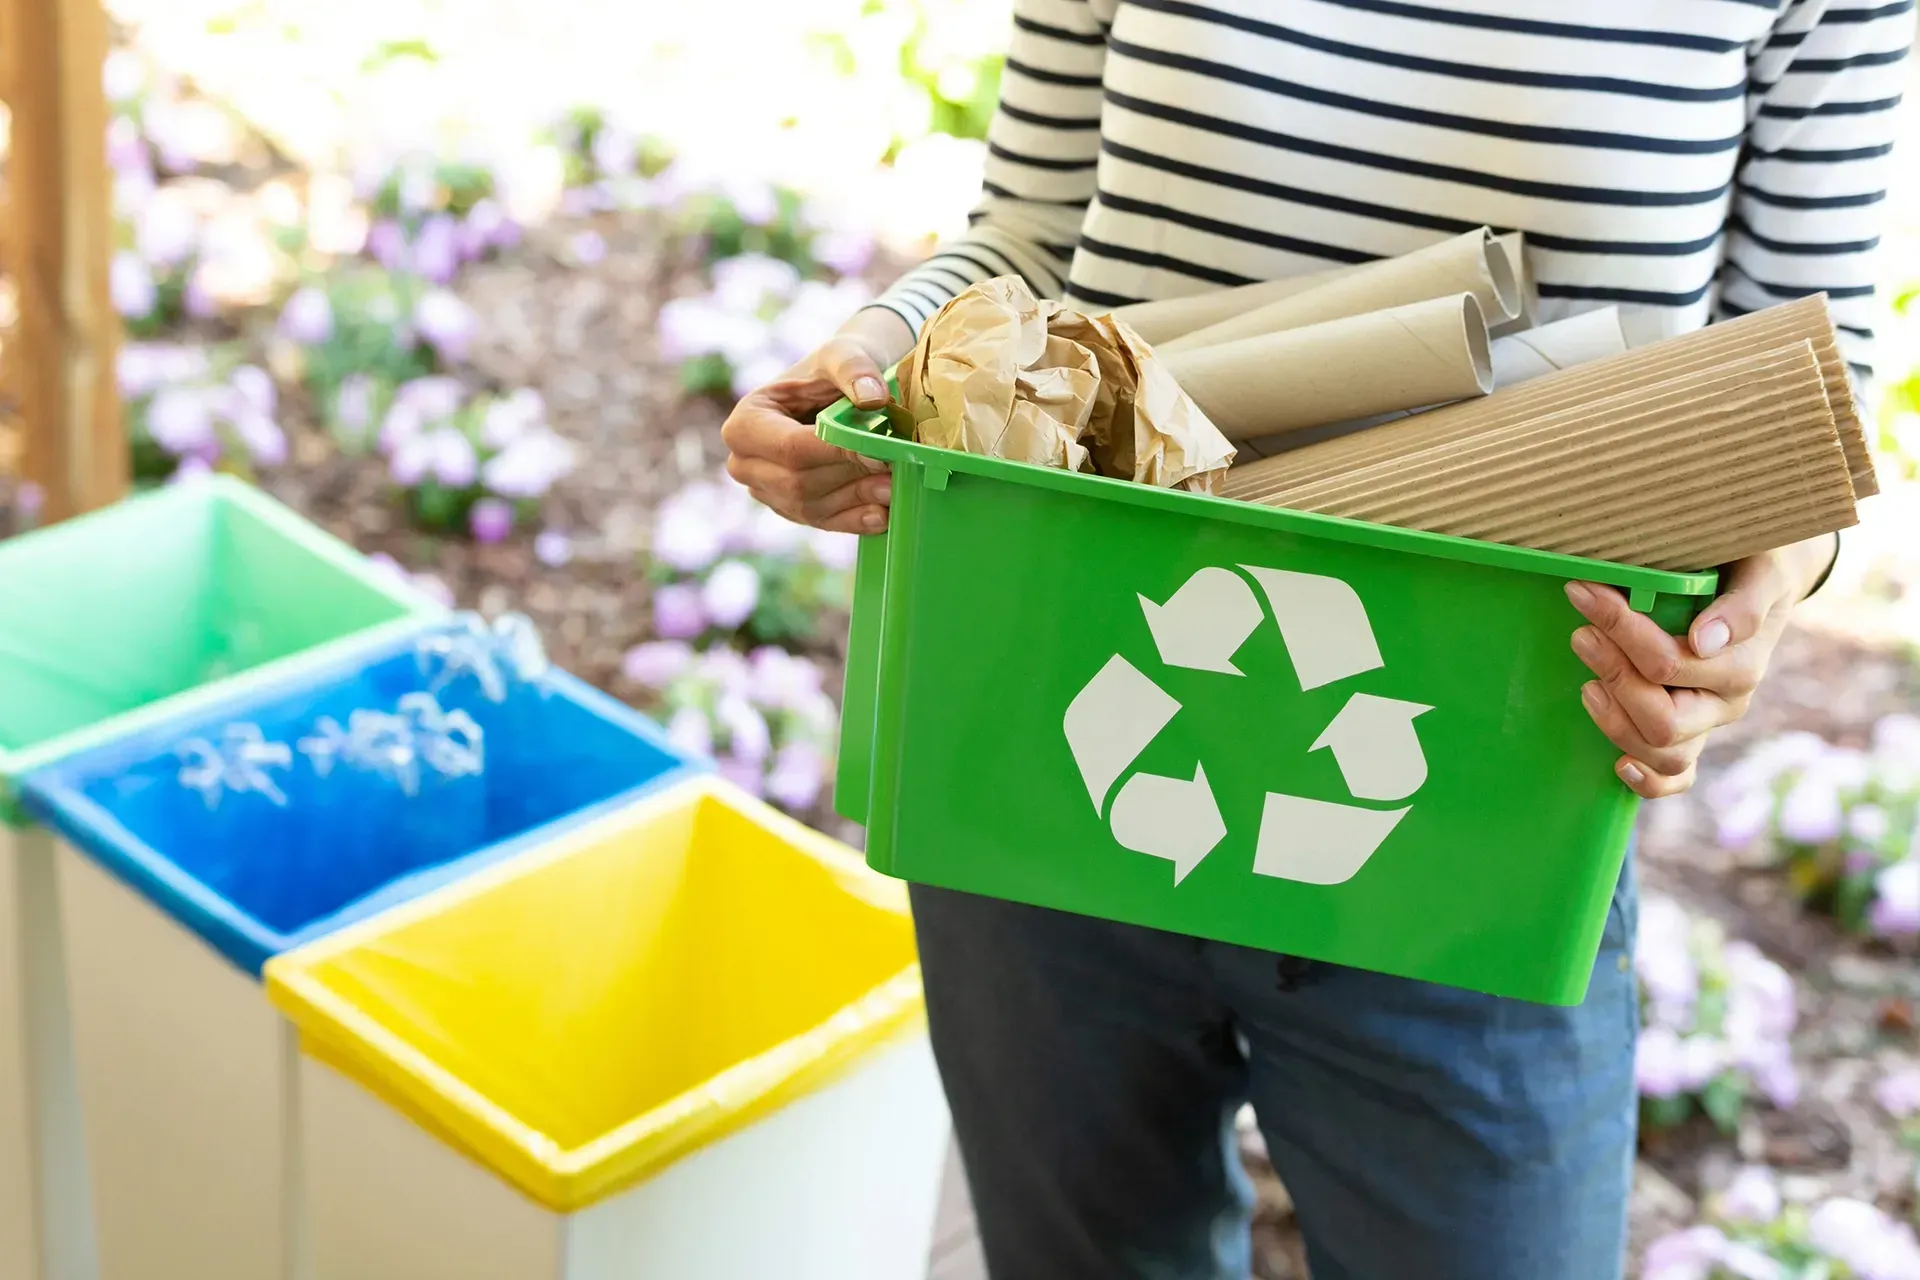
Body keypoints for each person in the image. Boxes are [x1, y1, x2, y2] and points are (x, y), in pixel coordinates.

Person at [722, 2, 1911, 1275]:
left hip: (1491, 794)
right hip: (1063, 722)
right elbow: (1032, 229)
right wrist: (873, 356)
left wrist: (1761, 599)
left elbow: (1806, 367)